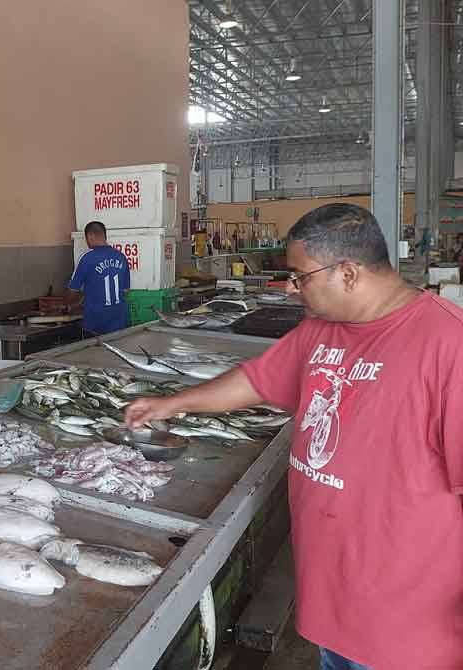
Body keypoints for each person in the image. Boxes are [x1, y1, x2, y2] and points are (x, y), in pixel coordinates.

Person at [125, 203, 462, 670]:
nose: (290, 288)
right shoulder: (321, 331)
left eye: (299, 276)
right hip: (332, 606)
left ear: (346, 273)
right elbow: (257, 379)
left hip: (408, 630)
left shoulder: (447, 343)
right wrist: (174, 402)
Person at [68, 220, 131, 335]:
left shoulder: (87, 258)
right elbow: (126, 291)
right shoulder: (121, 257)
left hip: (96, 323)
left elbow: (73, 290)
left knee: (95, 352)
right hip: (120, 320)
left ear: (90, 236)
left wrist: (67, 305)